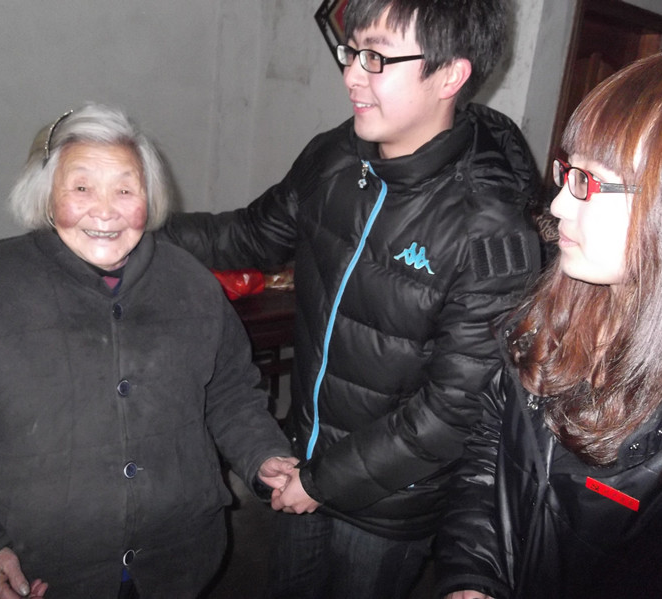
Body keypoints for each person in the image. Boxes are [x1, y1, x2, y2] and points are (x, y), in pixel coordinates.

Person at [161, 0, 542, 596]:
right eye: (352, 51)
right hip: (304, 456)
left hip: (389, 506)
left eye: (376, 58)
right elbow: (252, 235)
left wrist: (322, 484)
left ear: (450, 75)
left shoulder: (489, 229)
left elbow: (452, 412)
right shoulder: (336, 156)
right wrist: (138, 224)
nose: (351, 76)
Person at [0, 103, 298, 599]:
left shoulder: (191, 285)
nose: (105, 210)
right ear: (46, 195)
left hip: (177, 566)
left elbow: (230, 395)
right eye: (81, 188)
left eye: (125, 189)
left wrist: (263, 454)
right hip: (38, 574)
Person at [435, 51, 662, 599]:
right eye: (569, 173)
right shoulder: (554, 312)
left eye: (590, 182)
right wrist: (473, 572)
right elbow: (493, 444)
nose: (559, 204)